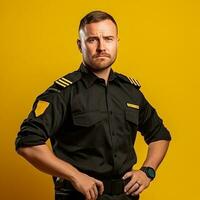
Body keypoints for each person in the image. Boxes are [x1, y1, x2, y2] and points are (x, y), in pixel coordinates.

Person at [15, 10, 171, 200]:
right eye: (92, 40)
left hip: (126, 196)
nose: (101, 47)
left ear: (117, 43)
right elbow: (27, 142)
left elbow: (160, 135)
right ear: (80, 45)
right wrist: (75, 176)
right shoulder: (64, 92)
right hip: (79, 196)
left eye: (108, 38)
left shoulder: (130, 92)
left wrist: (148, 171)